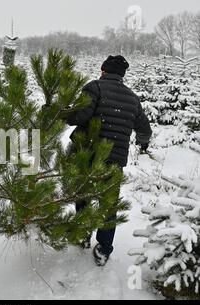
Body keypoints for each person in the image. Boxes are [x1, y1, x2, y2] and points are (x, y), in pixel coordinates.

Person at [65, 55, 152, 266]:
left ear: (103, 70)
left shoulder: (94, 87)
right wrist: (143, 143)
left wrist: (59, 112)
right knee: (108, 204)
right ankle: (103, 249)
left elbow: (77, 117)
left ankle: (82, 234)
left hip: (87, 155)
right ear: (122, 75)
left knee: (83, 196)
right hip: (114, 160)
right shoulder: (132, 98)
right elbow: (144, 129)